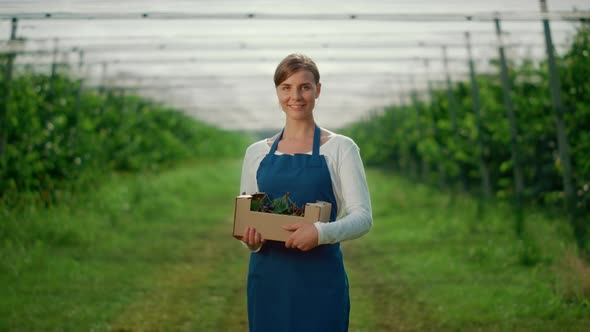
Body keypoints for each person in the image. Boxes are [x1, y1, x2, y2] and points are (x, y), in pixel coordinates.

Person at [238, 53, 373, 332]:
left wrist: (320, 233)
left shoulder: (340, 148)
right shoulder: (256, 153)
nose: (295, 96)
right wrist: (250, 242)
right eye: (286, 87)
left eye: (305, 87)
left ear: (318, 90)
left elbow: (362, 218)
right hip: (268, 280)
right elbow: (248, 218)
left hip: (320, 278)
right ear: (277, 92)